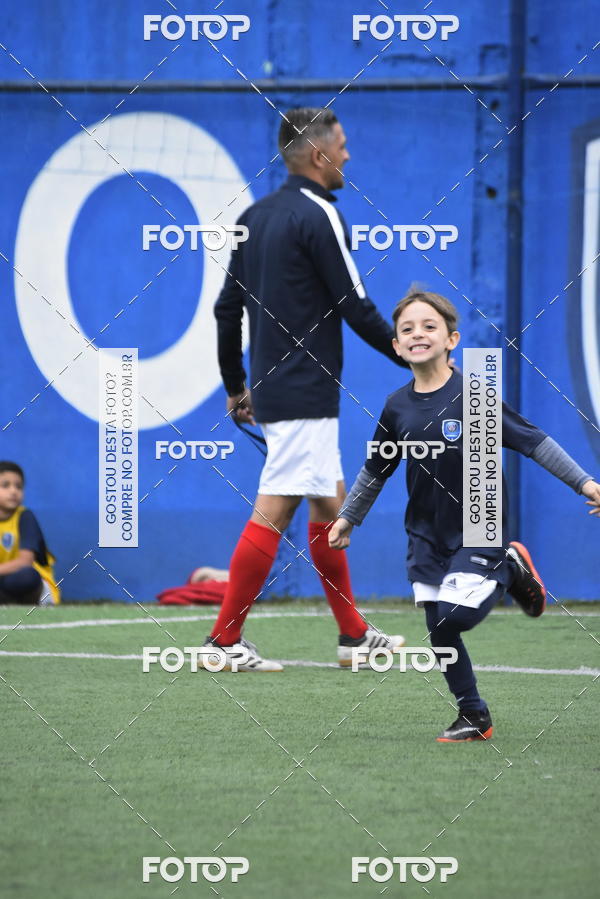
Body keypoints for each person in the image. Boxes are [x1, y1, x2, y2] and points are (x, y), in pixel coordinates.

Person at [328, 288, 600, 741]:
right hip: (424, 533)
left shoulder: (475, 395)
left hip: (479, 523)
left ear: (452, 339)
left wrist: (587, 484)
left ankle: (509, 570)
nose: (418, 334)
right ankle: (474, 714)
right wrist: (348, 517)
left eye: (429, 326)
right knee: (438, 629)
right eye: (407, 329)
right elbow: (376, 469)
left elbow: (534, 441)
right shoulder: (396, 406)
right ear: (395, 346)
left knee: (455, 617)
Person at [204, 107, 411, 671]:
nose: (348, 156)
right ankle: (223, 643)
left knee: (328, 504)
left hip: (281, 391)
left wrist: (235, 385)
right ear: (318, 154)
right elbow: (355, 304)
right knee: (274, 512)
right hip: (303, 392)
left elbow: (226, 312)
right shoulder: (320, 215)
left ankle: (352, 637)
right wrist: (412, 354)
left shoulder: (257, 215)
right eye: (341, 146)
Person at [0, 461, 60, 605]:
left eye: (18, 486)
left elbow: (25, 562)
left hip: (28, 580)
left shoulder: (25, 517)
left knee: (28, 576)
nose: (13, 491)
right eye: (5, 485)